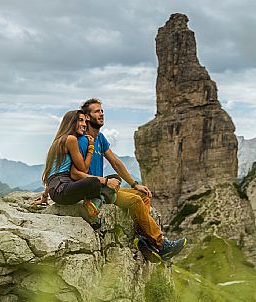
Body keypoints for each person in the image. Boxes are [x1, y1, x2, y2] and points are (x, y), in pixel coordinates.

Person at [71, 98, 186, 261]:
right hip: (94, 190)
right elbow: (75, 172)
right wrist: (104, 182)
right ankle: (161, 244)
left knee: (144, 196)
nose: (102, 114)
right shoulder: (82, 141)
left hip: (104, 186)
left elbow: (116, 163)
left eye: (102, 111)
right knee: (135, 201)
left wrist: (134, 184)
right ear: (87, 117)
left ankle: (145, 240)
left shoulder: (100, 138)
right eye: (97, 111)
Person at [39, 110, 120, 207]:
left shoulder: (58, 140)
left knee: (115, 178)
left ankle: (98, 199)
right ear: (71, 122)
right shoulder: (71, 139)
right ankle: (99, 200)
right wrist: (91, 147)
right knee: (94, 182)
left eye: (85, 121)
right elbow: (84, 169)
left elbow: (51, 173)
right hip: (62, 189)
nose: (84, 124)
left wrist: (45, 196)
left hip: (57, 189)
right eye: (80, 120)